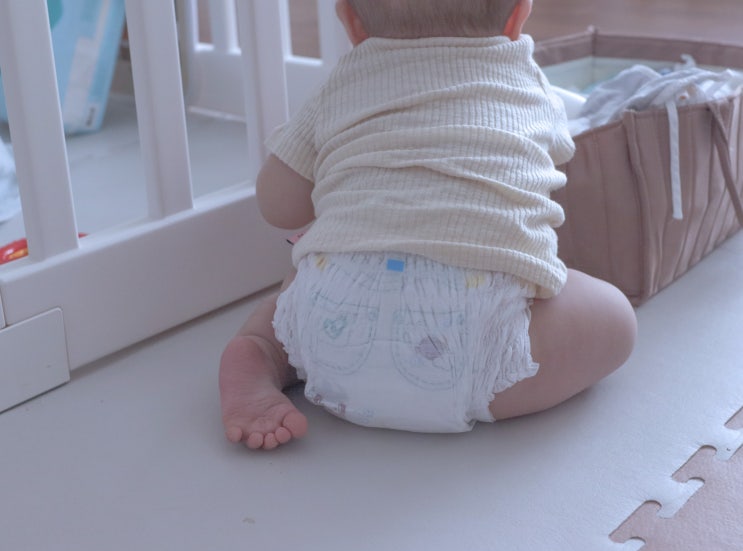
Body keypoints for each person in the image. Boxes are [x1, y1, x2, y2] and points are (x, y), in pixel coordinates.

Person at [219, 0, 637, 450]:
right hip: (475, 332)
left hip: (332, 321)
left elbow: (278, 206)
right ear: (518, 15)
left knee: (298, 281)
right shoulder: (528, 80)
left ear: (350, 20)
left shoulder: (340, 84)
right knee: (613, 314)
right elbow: (549, 166)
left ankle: (262, 353)